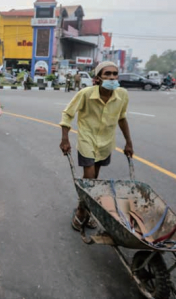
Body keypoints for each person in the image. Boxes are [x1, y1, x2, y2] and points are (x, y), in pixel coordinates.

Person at [59, 61, 134, 231]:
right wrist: (65, 139)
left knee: (95, 180)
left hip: (106, 143)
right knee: (90, 177)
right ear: (98, 77)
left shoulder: (122, 95)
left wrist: (129, 142)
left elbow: (122, 118)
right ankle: (82, 210)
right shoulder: (85, 94)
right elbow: (68, 114)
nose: (112, 77)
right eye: (107, 74)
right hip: (87, 139)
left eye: (115, 74)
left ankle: (87, 208)